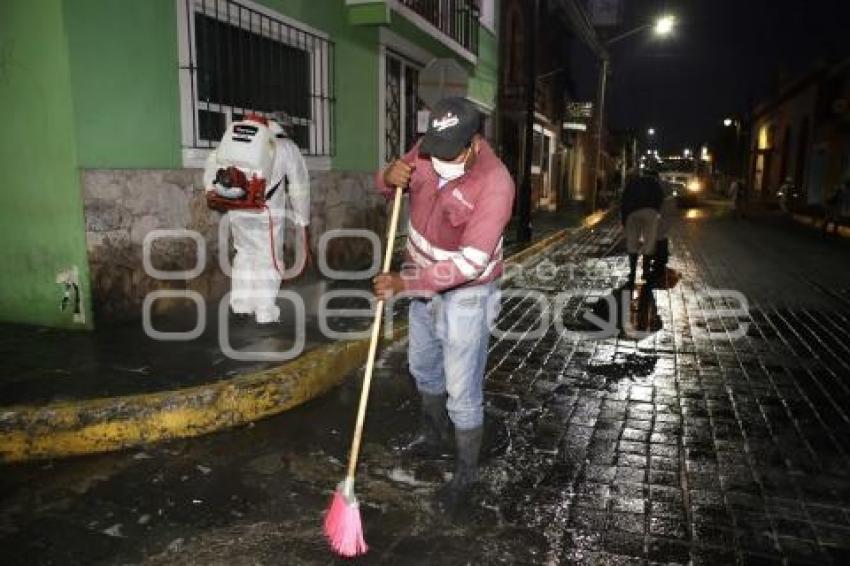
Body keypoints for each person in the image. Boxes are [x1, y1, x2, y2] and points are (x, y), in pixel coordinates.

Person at [373, 97, 515, 514]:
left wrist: (404, 282)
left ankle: (465, 474)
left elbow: (471, 262)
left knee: (461, 386)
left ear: (473, 143)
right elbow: (388, 185)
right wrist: (388, 175)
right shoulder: (428, 147)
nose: (437, 159)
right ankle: (431, 435)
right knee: (422, 365)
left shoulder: (496, 183)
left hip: (468, 290)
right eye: (433, 149)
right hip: (421, 279)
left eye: (449, 152)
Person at [203, 112, 310, 324]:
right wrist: (302, 219)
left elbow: (212, 169)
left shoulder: (238, 140)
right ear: (285, 128)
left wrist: (213, 191)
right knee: (268, 258)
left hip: (237, 206)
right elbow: (299, 186)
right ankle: (265, 312)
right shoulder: (286, 147)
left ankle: (242, 305)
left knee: (244, 253)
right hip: (265, 211)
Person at [620, 168, 664, 289]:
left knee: (632, 243)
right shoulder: (655, 184)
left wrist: (624, 220)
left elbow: (624, 201)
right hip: (650, 212)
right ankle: (646, 272)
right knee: (649, 242)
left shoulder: (632, 183)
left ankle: (632, 274)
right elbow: (661, 199)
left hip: (632, 214)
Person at [646, 177, 678, 285]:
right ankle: (657, 268)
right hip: (659, 231)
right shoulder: (666, 199)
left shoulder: (656, 197)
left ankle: (653, 268)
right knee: (659, 245)